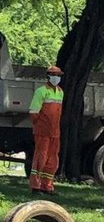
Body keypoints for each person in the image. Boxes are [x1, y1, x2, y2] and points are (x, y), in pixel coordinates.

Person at [28, 66, 64, 195]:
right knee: (40, 158)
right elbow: (34, 112)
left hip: (55, 131)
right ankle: (35, 186)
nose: (57, 78)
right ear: (48, 76)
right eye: (55, 75)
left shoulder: (60, 91)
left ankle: (47, 186)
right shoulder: (41, 91)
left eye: (59, 75)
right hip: (42, 131)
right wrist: (40, 126)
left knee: (52, 160)